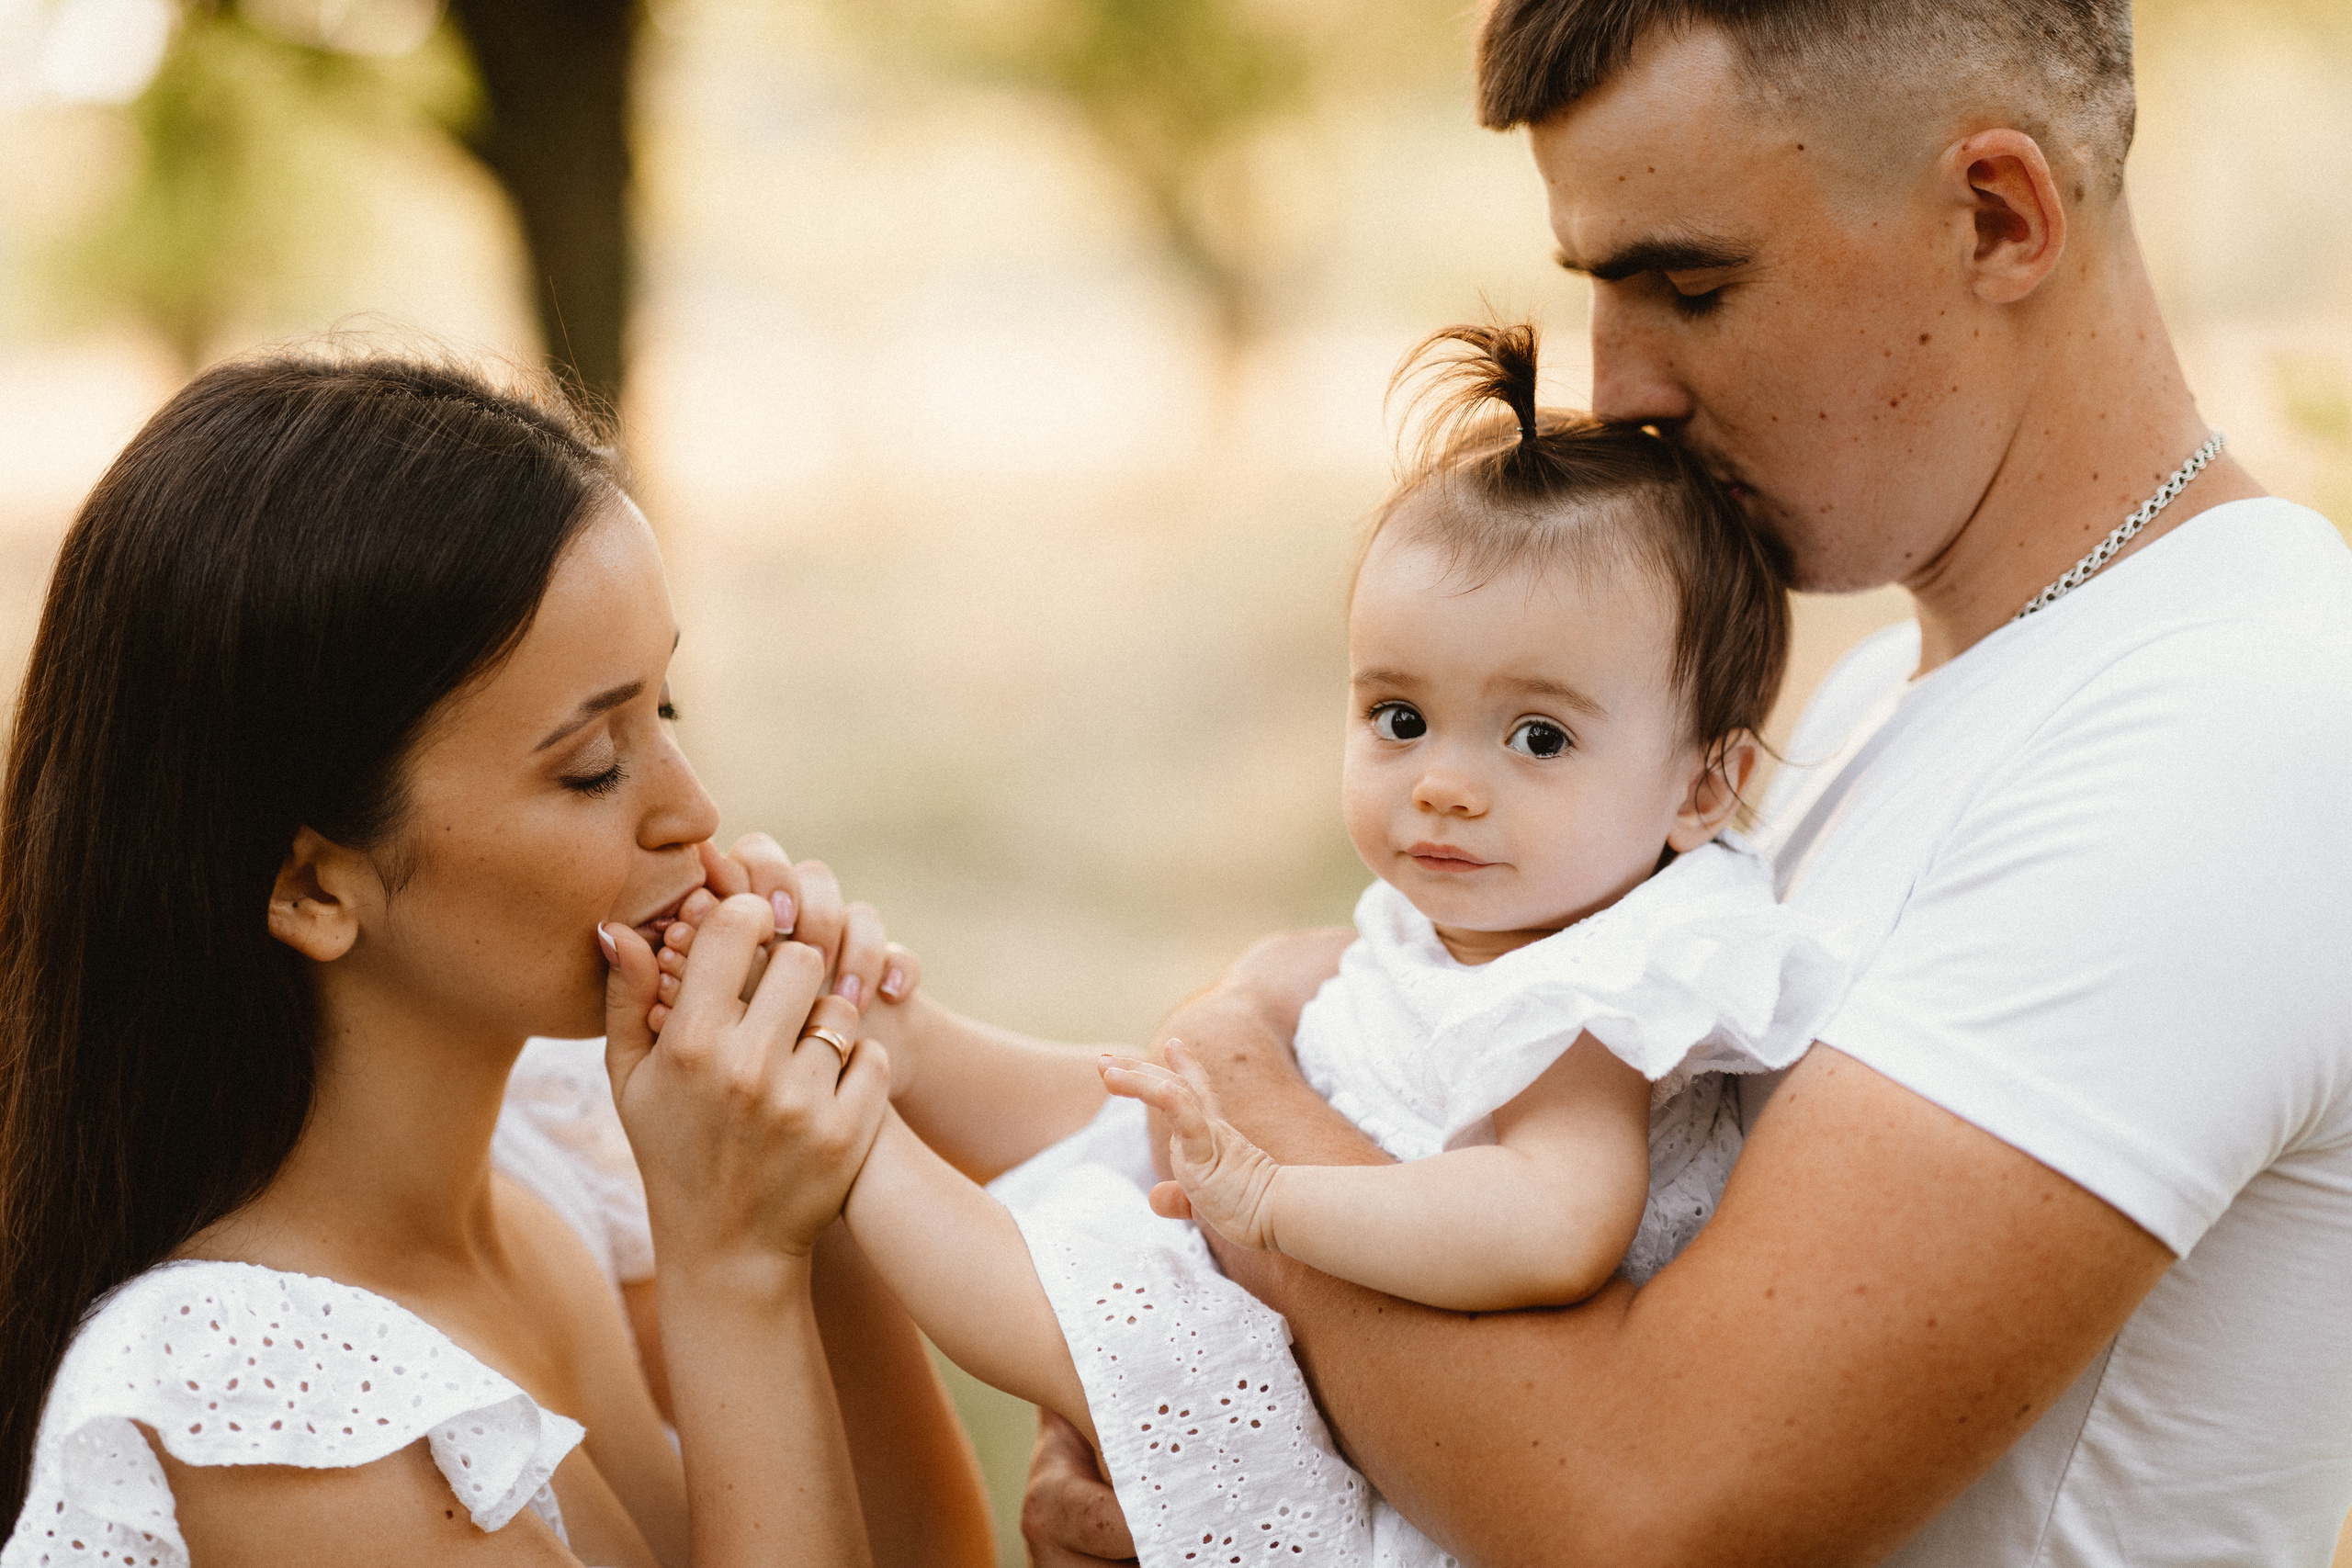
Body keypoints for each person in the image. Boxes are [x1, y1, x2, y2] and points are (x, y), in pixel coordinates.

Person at [1018, 1, 2352, 1564]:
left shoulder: (2237, 737)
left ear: (1998, 217)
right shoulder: (1880, 690)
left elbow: (1637, 1504)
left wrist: (1235, 1093)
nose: (1621, 384)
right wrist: (1207, 1448)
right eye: (1598, 286)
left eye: (1693, 286)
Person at [647, 322, 1849, 1565]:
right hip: (1328, 1330)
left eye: (1538, 738)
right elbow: (1169, 1119)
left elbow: (1554, 1223)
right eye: (1400, 717)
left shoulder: (1600, 990)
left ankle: (846, 1135)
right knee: (1149, 1117)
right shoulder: (1485, 925)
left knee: (1102, 1309)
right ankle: (894, 1046)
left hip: (1421, 1465)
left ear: (1704, 787)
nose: (1442, 784)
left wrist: (1274, 1200)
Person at [0, 353, 993, 1568]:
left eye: (663, 711)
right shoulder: (252, 1410)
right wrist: (733, 1259)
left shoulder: (544, 1185)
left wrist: (808, 1146)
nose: (693, 811)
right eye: (592, 768)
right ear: (311, 884)